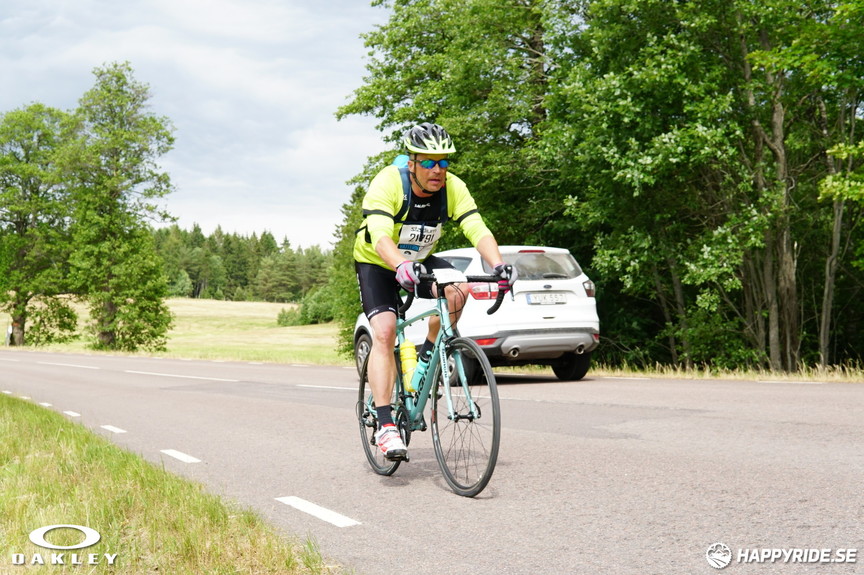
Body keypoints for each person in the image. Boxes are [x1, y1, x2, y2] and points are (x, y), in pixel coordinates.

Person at [354, 122, 516, 460]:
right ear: (412, 162)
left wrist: (498, 264)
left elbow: (475, 226)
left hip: (418, 260)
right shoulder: (389, 182)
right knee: (384, 331)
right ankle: (385, 424)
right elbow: (380, 234)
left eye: (443, 162)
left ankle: (429, 355)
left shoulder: (452, 187)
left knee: (459, 288)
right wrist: (399, 265)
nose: (438, 170)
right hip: (378, 262)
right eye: (428, 162)